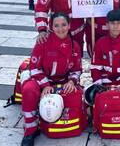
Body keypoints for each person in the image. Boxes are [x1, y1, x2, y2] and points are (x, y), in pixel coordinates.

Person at [21, 13, 82, 146]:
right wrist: (45, 85)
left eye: (64, 25)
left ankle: (67, 123)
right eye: (56, 25)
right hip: (40, 79)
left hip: (63, 80)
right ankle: (30, 130)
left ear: (69, 25)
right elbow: (34, 67)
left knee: (76, 94)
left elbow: (76, 70)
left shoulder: (74, 45)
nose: (61, 29)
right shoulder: (43, 42)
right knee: (29, 90)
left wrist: (72, 81)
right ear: (51, 27)